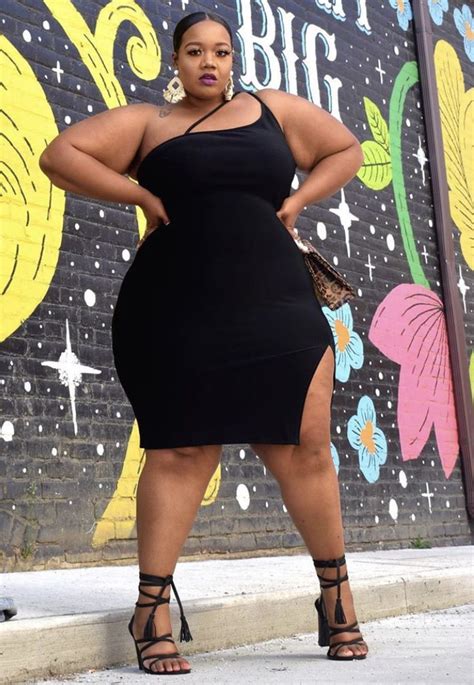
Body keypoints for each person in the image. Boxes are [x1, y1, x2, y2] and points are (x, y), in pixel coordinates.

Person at [39, 10, 367, 676]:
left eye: (220, 51)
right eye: (194, 52)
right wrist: (139, 194)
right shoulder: (148, 124)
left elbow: (346, 149)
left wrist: (298, 201)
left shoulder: (273, 111)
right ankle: (151, 609)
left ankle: (336, 595)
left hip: (277, 303)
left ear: (234, 59)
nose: (208, 63)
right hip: (175, 306)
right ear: (177, 61)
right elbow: (59, 154)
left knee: (305, 445)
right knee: (182, 449)